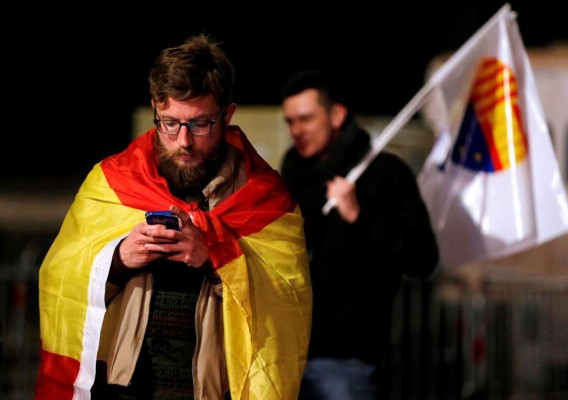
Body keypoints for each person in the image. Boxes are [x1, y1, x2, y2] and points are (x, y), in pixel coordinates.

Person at [35, 34, 312, 400]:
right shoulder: (112, 180)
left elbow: (288, 305)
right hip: (123, 391)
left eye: (200, 124)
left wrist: (214, 256)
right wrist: (118, 260)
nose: (183, 140)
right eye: (169, 122)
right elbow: (59, 278)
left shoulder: (267, 198)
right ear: (155, 109)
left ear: (226, 116)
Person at [280, 70, 439, 399]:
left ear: (336, 114)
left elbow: (423, 257)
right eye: (290, 121)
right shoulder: (290, 173)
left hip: (348, 356)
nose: (297, 130)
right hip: (285, 352)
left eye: (306, 119)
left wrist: (359, 216)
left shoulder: (385, 174)